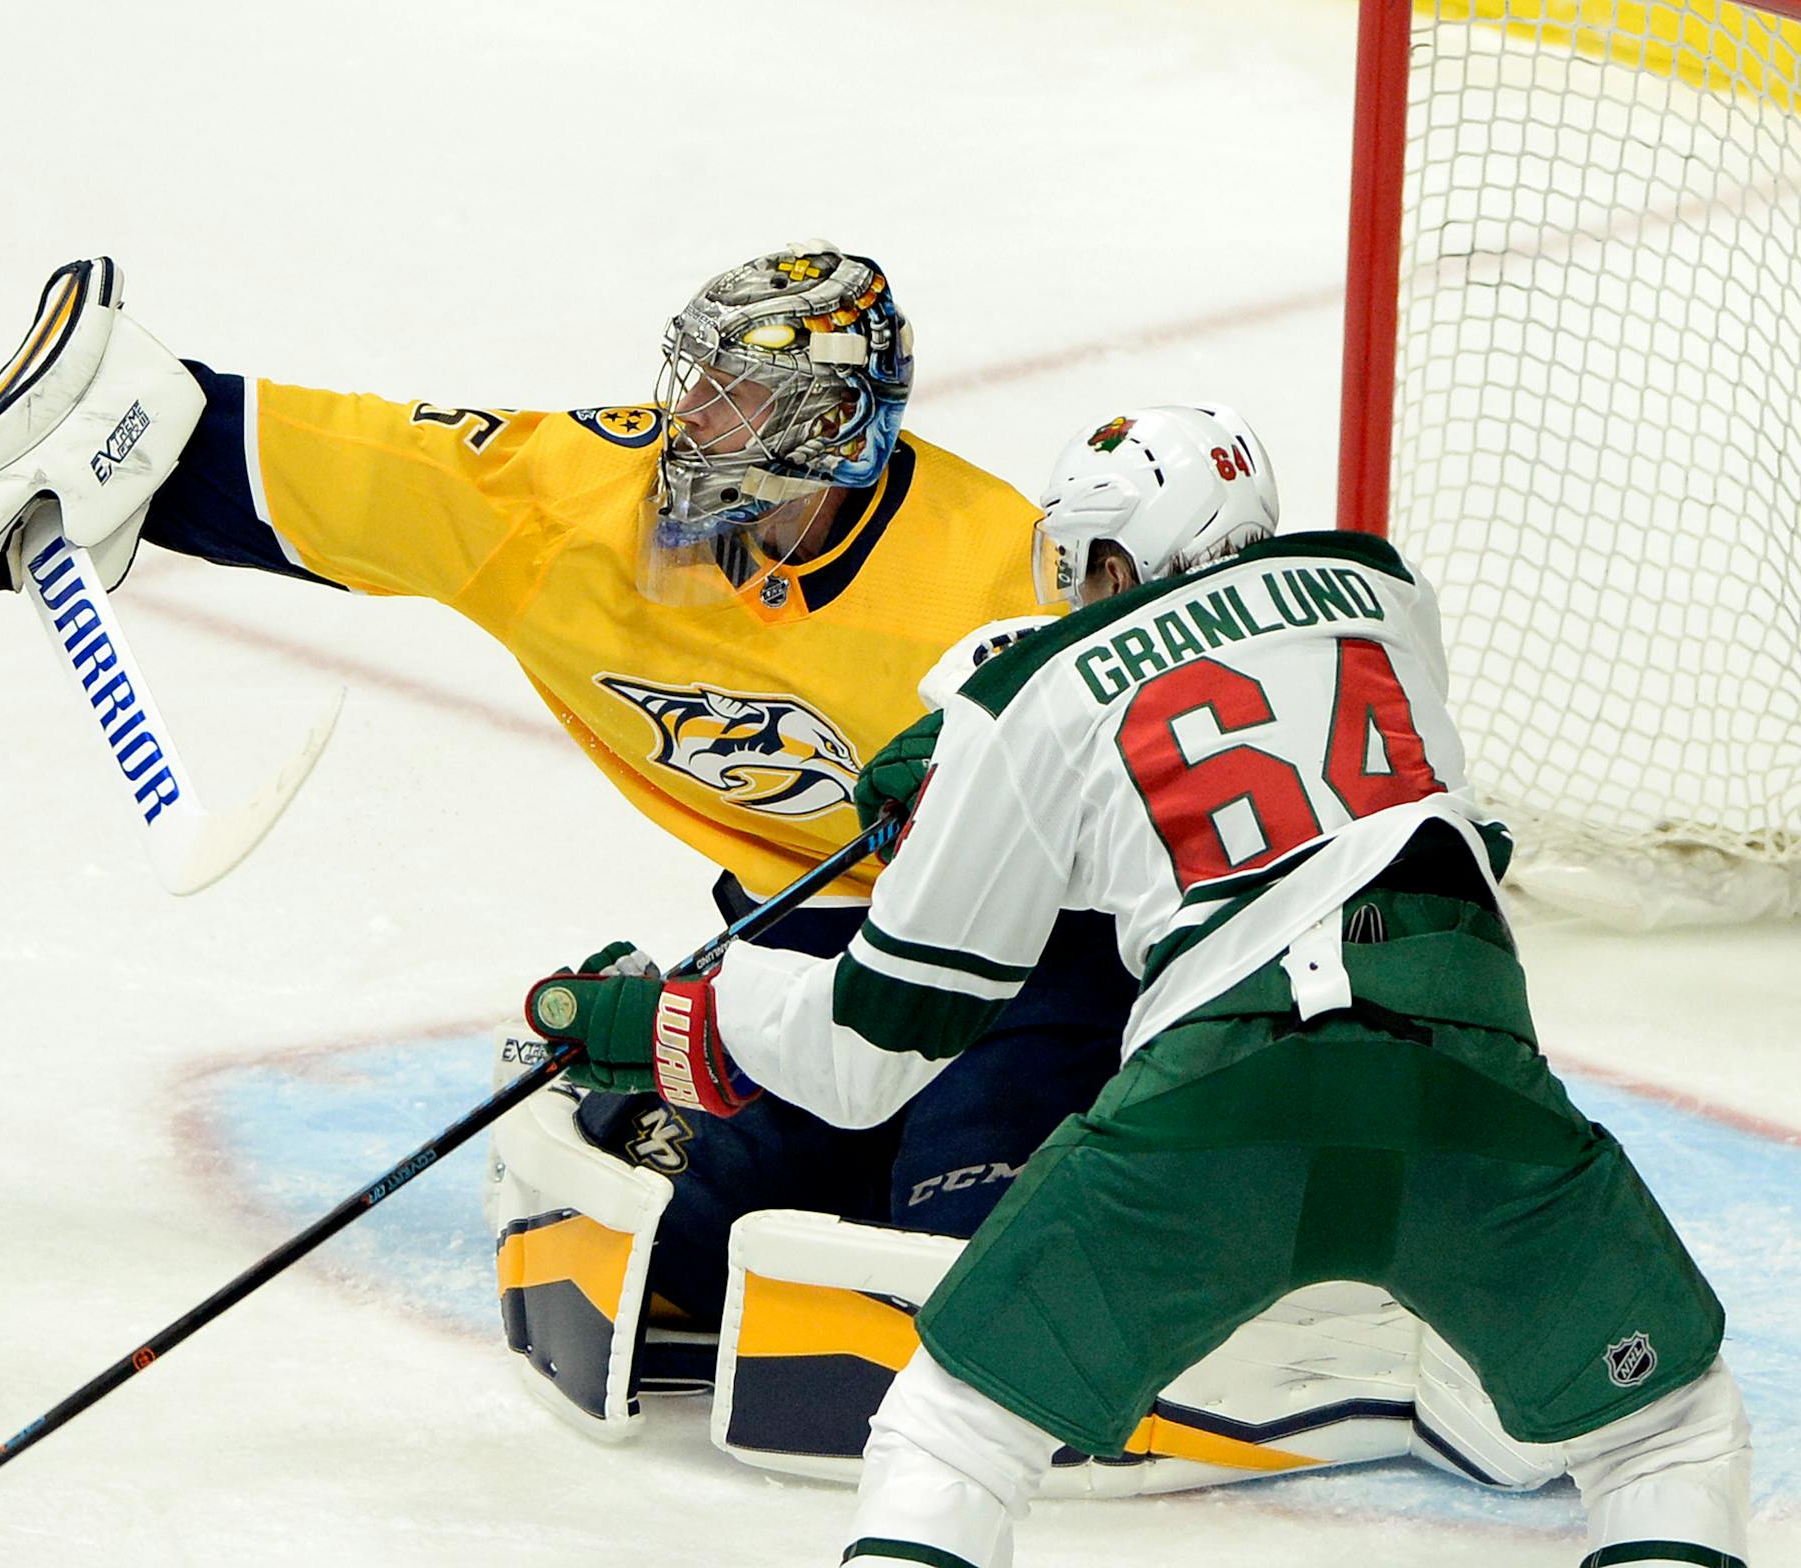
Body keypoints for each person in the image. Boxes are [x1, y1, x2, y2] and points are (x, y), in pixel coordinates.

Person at [521, 404, 1752, 1566]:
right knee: (1670, 1432)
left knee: (952, 1428)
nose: (1073, 590)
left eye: (1087, 560)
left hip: (1220, 1094)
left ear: (1121, 557)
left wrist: (689, 1013)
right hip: (1475, 1085)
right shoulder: (1384, 589)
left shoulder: (1027, 698)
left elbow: (869, 1050)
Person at [0, 247, 1137, 1330]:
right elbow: (358, 474)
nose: (699, 422)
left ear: (837, 428)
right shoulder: (574, 506)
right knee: (683, 1266)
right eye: (704, 385)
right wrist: (127, 443)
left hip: (1023, 949)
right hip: (807, 937)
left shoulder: (1006, 576)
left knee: (974, 1274)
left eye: (745, 401)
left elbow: (1175, 785)